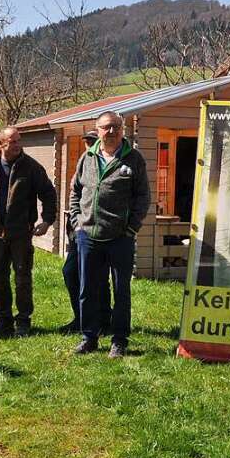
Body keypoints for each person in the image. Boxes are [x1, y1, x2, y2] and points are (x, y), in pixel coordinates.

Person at [69, 110, 150, 358]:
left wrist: (131, 228)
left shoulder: (133, 159)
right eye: (106, 127)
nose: (111, 131)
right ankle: (89, 337)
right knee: (87, 290)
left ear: (122, 130)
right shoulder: (87, 158)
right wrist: (77, 223)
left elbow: (143, 197)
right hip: (88, 236)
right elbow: (75, 191)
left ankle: (119, 340)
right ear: (98, 130)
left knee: (121, 291)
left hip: (120, 238)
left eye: (115, 127)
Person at [0, 126, 57, 338]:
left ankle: (23, 321)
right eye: (13, 141)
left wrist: (47, 221)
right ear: (1, 144)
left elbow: (48, 193)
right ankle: (3, 320)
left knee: (22, 277)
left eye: (19, 141)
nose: (18, 145)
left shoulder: (31, 167)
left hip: (21, 233)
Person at [60, 133, 112, 334]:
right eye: (87, 142)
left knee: (99, 277)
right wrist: (75, 223)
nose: (89, 144)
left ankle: (104, 321)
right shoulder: (84, 163)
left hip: (102, 230)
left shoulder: (106, 165)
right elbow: (75, 195)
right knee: (71, 272)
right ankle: (81, 318)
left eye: (92, 141)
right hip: (80, 230)